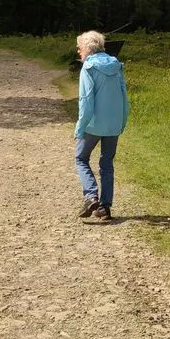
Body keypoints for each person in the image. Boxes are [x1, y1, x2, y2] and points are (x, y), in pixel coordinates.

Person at [73, 30, 130, 222]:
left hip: (93, 124)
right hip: (113, 124)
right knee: (107, 164)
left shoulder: (88, 68)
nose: (79, 52)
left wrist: (80, 127)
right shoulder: (116, 65)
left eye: (79, 48)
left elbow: (86, 101)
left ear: (87, 48)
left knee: (81, 158)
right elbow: (124, 97)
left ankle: (91, 197)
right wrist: (122, 122)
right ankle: (105, 208)